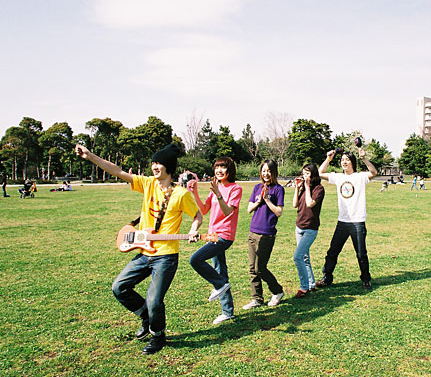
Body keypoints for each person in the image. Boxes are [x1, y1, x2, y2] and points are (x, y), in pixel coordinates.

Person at [75, 143, 203, 355]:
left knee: (154, 300)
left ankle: (158, 336)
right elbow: (117, 171)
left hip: (166, 256)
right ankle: (146, 317)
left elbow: (197, 215)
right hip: (144, 252)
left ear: (169, 166)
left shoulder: (181, 194)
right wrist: (90, 156)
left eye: (159, 163)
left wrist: (193, 229)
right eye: (153, 163)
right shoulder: (148, 184)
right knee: (119, 287)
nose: (154, 167)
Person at [187, 157, 242, 325]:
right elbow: (204, 210)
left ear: (230, 170)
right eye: (217, 167)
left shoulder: (235, 189)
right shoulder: (216, 187)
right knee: (220, 269)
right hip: (212, 235)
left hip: (224, 236)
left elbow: (227, 212)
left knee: (195, 259)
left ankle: (219, 284)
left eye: (223, 167)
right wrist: (194, 193)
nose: (219, 170)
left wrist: (218, 194)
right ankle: (227, 311)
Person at [316, 148, 377, 290]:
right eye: (342, 160)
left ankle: (366, 279)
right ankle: (327, 278)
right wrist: (328, 159)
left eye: (347, 160)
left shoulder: (360, 177)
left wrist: (364, 158)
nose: (344, 162)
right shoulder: (338, 177)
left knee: (361, 254)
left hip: (357, 222)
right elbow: (320, 173)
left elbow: (374, 172)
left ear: (352, 162)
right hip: (342, 222)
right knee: (332, 252)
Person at [243, 160, 285, 309]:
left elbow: (279, 212)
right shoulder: (257, 187)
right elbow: (249, 209)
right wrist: (259, 200)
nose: (266, 174)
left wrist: (267, 199)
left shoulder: (278, 189)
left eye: (269, 171)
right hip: (253, 231)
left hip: (266, 234)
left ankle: (277, 291)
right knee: (252, 268)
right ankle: (257, 298)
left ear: (274, 172)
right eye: (264, 170)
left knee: (260, 268)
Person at [291, 163, 325, 298]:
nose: (304, 176)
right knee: (304, 257)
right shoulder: (304, 189)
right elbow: (294, 204)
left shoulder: (318, 189)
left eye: (307, 173)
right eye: (303, 173)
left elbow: (310, 203)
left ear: (313, 174)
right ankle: (310, 284)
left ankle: (304, 287)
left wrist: (307, 187)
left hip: (310, 229)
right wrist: (297, 188)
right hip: (299, 227)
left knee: (297, 256)